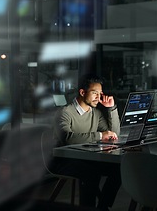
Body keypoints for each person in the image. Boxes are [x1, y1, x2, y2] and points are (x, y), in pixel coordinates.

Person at [51, 74, 121, 211]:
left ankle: (102, 206)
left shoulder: (95, 113)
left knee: (119, 168)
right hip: (63, 160)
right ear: (82, 92)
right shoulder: (65, 112)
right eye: (95, 93)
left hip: (86, 157)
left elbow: (114, 134)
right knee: (90, 173)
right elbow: (68, 139)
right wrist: (100, 135)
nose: (99, 97)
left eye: (100, 93)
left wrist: (111, 109)